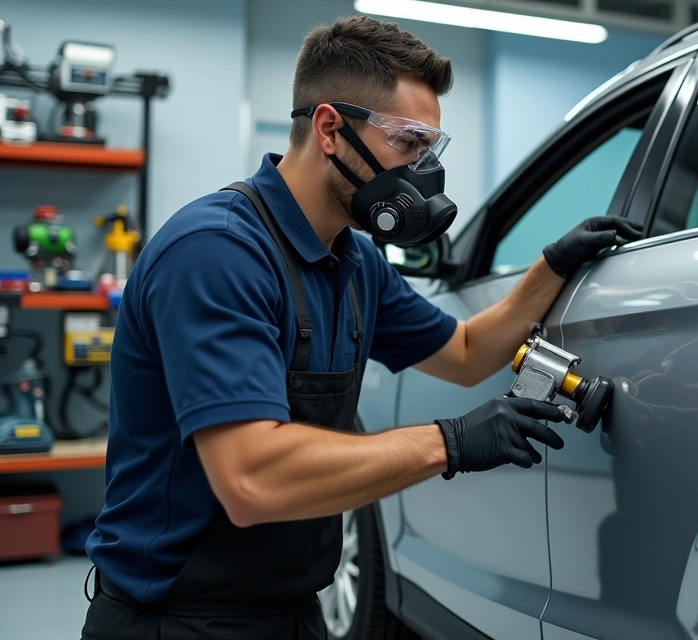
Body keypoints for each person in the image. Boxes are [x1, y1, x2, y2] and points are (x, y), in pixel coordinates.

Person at [79, 14, 641, 640]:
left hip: (292, 611)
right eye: (409, 144)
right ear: (329, 129)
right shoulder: (217, 252)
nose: (423, 175)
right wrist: (449, 442)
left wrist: (552, 265)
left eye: (432, 150)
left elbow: (466, 352)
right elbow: (250, 478)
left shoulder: (355, 261)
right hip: (175, 620)